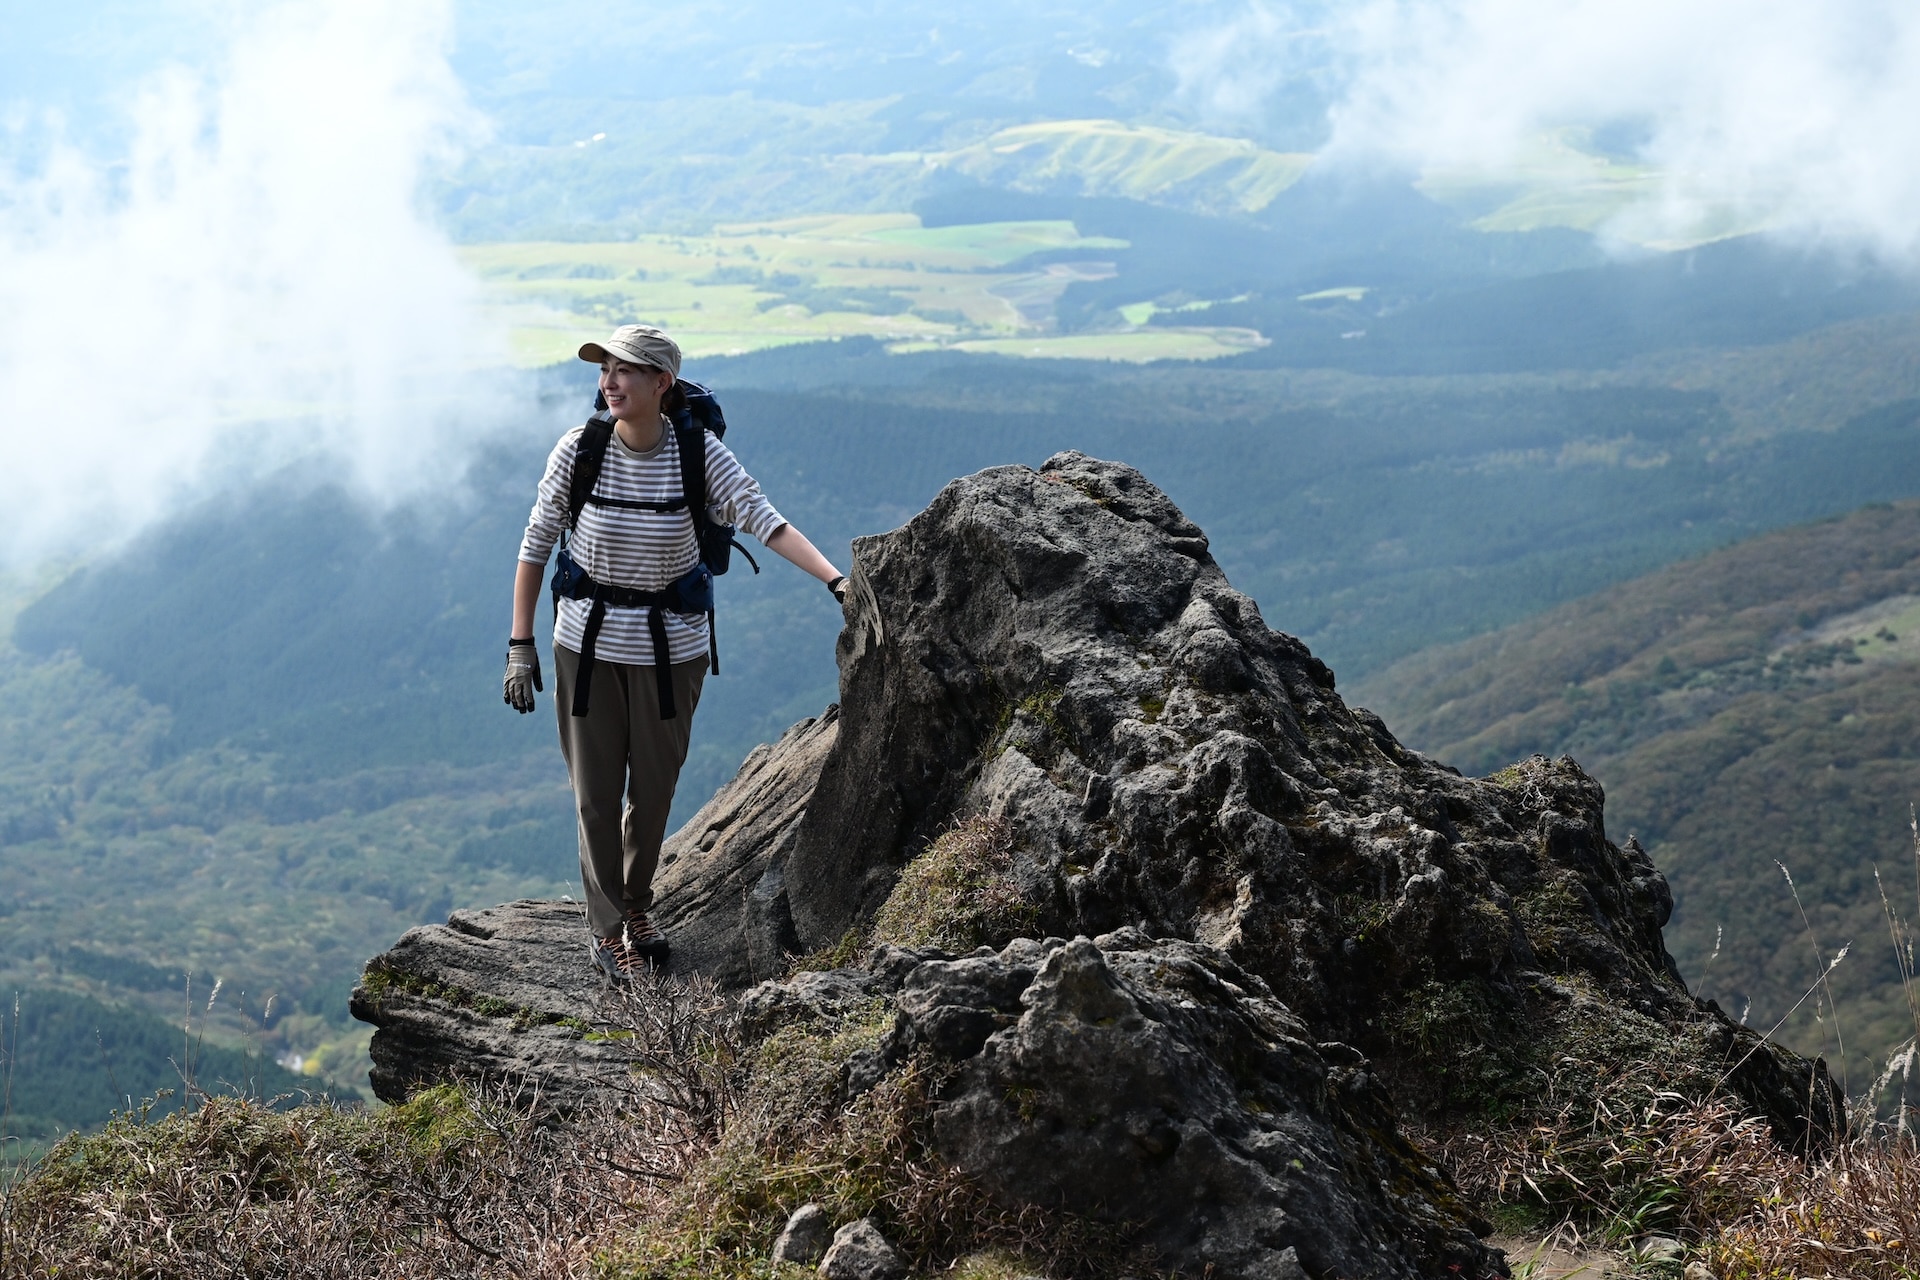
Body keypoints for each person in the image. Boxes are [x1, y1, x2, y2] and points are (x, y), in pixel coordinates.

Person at [503, 324, 847, 978]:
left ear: (663, 381)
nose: (610, 381)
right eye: (604, 369)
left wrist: (834, 579)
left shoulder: (699, 455)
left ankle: (637, 904)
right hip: (587, 647)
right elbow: (535, 542)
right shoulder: (579, 450)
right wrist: (521, 645)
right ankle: (609, 933)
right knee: (595, 797)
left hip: (671, 652)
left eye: (626, 369)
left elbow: (763, 518)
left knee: (653, 794)